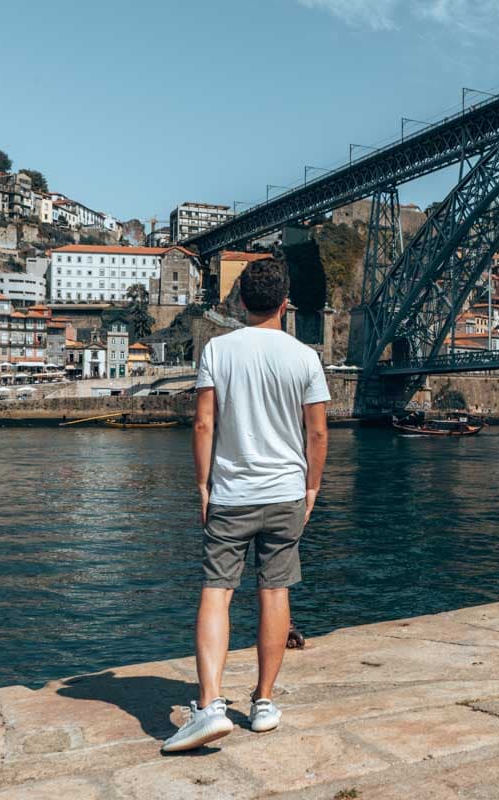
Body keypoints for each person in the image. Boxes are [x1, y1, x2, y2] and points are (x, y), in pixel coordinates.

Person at [162, 257, 329, 753]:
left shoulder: (218, 349)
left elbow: (203, 424)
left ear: (238, 302)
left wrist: (203, 486)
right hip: (285, 494)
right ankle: (262, 703)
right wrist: (312, 487)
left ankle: (210, 705)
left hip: (231, 493)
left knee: (217, 592)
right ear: (285, 303)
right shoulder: (304, 357)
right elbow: (317, 431)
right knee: (274, 593)